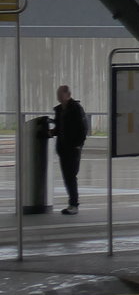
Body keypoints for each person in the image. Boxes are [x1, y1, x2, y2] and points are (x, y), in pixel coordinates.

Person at [51, 84, 87, 215]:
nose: (59, 96)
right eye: (58, 94)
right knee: (67, 177)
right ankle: (72, 203)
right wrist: (51, 132)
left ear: (68, 95)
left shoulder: (76, 108)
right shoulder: (60, 110)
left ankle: (74, 204)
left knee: (71, 176)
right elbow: (59, 128)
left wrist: (78, 144)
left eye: (61, 94)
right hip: (63, 148)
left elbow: (83, 128)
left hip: (73, 148)